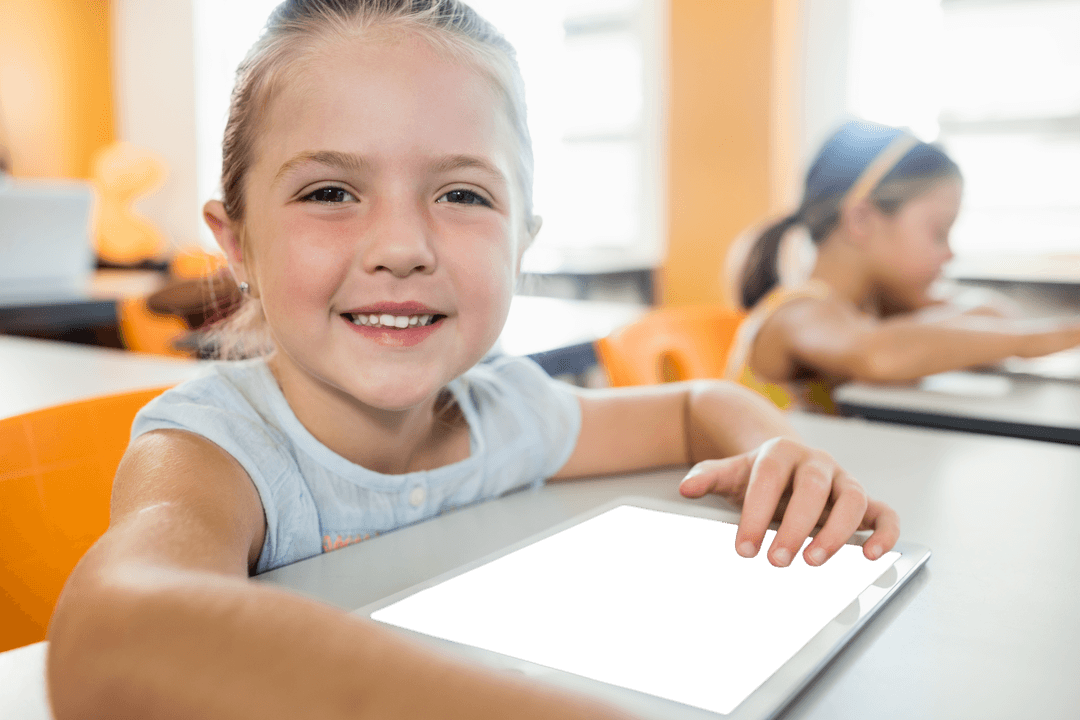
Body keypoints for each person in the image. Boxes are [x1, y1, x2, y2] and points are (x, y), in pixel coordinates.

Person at [46, 3, 899, 718]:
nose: (401, 246)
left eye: (462, 194)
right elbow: (113, 632)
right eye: (330, 192)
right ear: (239, 245)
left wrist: (770, 445)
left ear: (523, 243)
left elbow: (693, 406)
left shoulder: (507, 415)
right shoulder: (220, 450)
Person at [725, 119, 1080, 413]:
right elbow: (878, 355)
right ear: (862, 220)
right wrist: (1045, 337)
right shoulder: (798, 311)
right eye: (939, 232)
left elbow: (992, 314)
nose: (949, 254)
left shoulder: (872, 306)